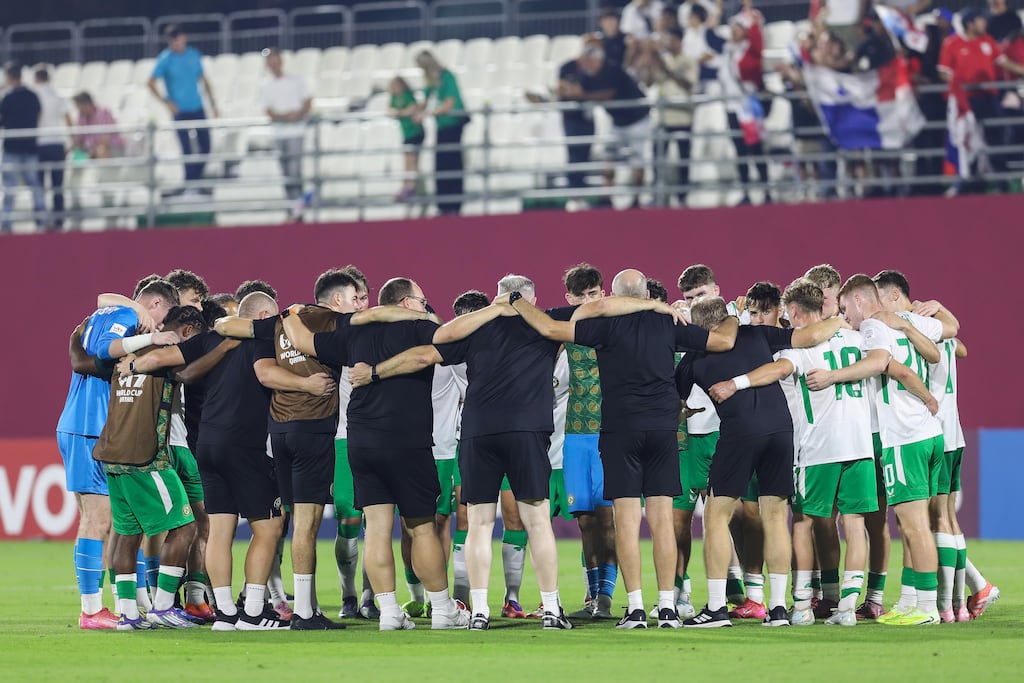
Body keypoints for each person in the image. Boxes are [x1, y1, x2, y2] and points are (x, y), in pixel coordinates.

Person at [511, 270, 738, 629]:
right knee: (662, 522)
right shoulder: (669, 323)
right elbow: (723, 342)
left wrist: (515, 300)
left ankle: (634, 609)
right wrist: (733, 316)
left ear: (612, 296)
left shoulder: (605, 327)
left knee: (627, 524)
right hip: (663, 430)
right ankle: (667, 608)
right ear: (646, 293)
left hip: (619, 431)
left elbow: (551, 329)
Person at [282, 278, 472, 631]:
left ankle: (388, 612)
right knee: (422, 529)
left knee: (378, 530)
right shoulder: (420, 327)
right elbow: (437, 347)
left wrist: (289, 312)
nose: (426, 305)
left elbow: (302, 340)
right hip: (407, 441)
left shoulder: (354, 332)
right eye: (422, 300)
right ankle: (444, 609)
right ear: (405, 302)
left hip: (362, 443)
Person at [710, 279, 878, 626]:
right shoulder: (855, 337)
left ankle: (801, 604)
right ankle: (846, 605)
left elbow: (778, 370)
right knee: (855, 524)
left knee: (802, 523)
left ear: (796, 311)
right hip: (859, 444)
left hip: (818, 446)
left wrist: (737, 382)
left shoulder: (799, 348)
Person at [675, 296, 846, 627]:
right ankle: (779, 608)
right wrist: (838, 320)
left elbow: (674, 402)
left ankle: (714, 608)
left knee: (715, 516)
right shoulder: (757, 334)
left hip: (740, 432)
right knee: (774, 516)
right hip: (782, 430)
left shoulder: (693, 359)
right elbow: (808, 335)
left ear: (699, 328)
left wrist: (683, 411)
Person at [804, 274, 944, 626]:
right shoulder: (908, 321)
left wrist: (833, 376)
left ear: (859, 300)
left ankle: (926, 608)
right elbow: (938, 350)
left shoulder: (871, 326)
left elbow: (883, 363)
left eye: (845, 305)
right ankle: (912, 601)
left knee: (914, 527)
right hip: (927, 432)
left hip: (903, 434)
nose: (843, 312)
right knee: (914, 523)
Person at [56, 280, 180, 629]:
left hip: (92, 427)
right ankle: (91, 610)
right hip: (88, 427)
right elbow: (104, 350)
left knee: (119, 524)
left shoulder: (114, 309)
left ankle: (132, 604)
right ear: (155, 304)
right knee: (97, 520)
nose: (160, 327)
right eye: (162, 319)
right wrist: (149, 338)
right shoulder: (126, 315)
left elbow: (103, 299)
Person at [92, 311, 201, 630]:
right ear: (184, 330)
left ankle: (128, 614)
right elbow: (191, 373)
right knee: (185, 526)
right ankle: (163, 606)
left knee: (127, 535)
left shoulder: (124, 354)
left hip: (112, 456)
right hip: (146, 458)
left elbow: (95, 357)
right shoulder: (165, 354)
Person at [559, 264, 618, 620]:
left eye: (593, 293)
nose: (587, 301)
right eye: (580, 296)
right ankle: (592, 594)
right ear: (569, 299)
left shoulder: (618, 325)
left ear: (603, 293)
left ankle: (606, 598)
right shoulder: (562, 331)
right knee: (584, 520)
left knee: (607, 518)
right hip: (575, 435)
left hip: (609, 432)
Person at [573, 45, 652, 208]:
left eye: (589, 60)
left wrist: (582, 95)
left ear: (597, 59)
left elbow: (607, 94)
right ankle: (607, 197)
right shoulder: (589, 75)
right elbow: (580, 92)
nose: (586, 64)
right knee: (608, 158)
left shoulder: (612, 70)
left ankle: (637, 199)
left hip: (637, 119)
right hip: (618, 122)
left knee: (637, 158)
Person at [148, 25, 219, 194]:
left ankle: (194, 181)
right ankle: (191, 184)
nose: (177, 44)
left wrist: (213, 104)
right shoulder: (165, 59)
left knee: (206, 146)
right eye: (174, 41)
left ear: (184, 38)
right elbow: (150, 82)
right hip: (180, 111)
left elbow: (204, 80)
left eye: (179, 40)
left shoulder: (193, 54)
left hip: (197, 107)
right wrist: (167, 102)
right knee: (186, 149)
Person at [415, 51, 467, 216]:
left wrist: (428, 113)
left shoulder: (447, 77)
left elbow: (449, 103)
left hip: (453, 124)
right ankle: (444, 204)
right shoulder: (432, 80)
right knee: (441, 163)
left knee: (452, 162)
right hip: (442, 126)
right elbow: (425, 99)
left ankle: (453, 204)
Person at [261, 48, 312, 215]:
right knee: (285, 172)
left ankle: (298, 206)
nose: (274, 64)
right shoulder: (266, 86)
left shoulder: (297, 80)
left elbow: (307, 101)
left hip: (296, 131)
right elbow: (268, 110)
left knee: (294, 170)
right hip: (279, 133)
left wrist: (298, 115)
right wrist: (285, 116)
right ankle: (294, 206)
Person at [651, 26, 698, 206]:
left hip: (683, 117)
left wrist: (667, 71)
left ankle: (682, 197)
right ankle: (659, 196)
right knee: (657, 159)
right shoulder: (661, 60)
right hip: (663, 118)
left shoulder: (689, 61)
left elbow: (688, 85)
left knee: (683, 159)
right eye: (667, 40)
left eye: (672, 40)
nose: (669, 43)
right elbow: (649, 81)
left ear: (680, 41)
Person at [1, 61, 47, 232]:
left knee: (9, 187)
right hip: (30, 147)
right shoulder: (32, 95)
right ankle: (42, 220)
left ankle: (6, 222)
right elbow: (39, 115)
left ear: (9, 77)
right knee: (34, 184)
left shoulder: (8, 97)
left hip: (12, 148)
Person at [32, 67, 71, 230]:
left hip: (39, 143)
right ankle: (59, 221)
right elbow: (68, 118)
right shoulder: (59, 96)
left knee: (38, 185)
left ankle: (41, 220)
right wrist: (72, 141)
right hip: (56, 143)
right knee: (57, 185)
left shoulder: (32, 96)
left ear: (35, 78)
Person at [558, 49, 598, 203]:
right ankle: (573, 194)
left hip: (587, 118)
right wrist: (577, 92)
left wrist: (577, 92)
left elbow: (586, 92)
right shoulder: (567, 67)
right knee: (574, 153)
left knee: (585, 152)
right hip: (571, 118)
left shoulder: (592, 69)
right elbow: (562, 89)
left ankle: (581, 192)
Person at [388, 76, 424, 202]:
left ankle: (411, 186)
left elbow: (413, 108)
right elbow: (389, 110)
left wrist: (400, 113)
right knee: (408, 160)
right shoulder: (394, 98)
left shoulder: (407, 95)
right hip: (407, 133)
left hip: (415, 132)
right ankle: (407, 186)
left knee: (412, 160)